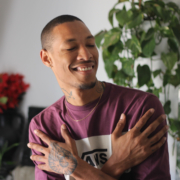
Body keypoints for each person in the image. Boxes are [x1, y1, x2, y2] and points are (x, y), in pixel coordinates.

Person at [28, 15, 170, 180]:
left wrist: (74, 168)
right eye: (71, 47)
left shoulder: (141, 108)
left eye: (90, 44)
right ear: (47, 58)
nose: (86, 54)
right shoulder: (43, 127)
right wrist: (116, 164)